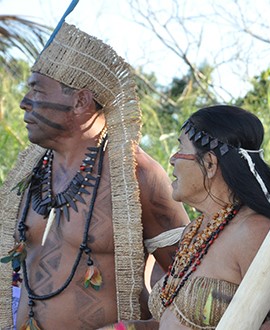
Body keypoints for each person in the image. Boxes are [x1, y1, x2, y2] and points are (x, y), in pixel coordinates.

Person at [0, 23, 189, 329]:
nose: (24, 102)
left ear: (80, 101)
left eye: (35, 89)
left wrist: (141, 328)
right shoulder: (31, 173)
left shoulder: (137, 175)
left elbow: (193, 281)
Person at [126, 105, 270, 329]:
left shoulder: (255, 230)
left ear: (209, 163)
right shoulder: (195, 232)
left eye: (181, 147)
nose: (172, 160)